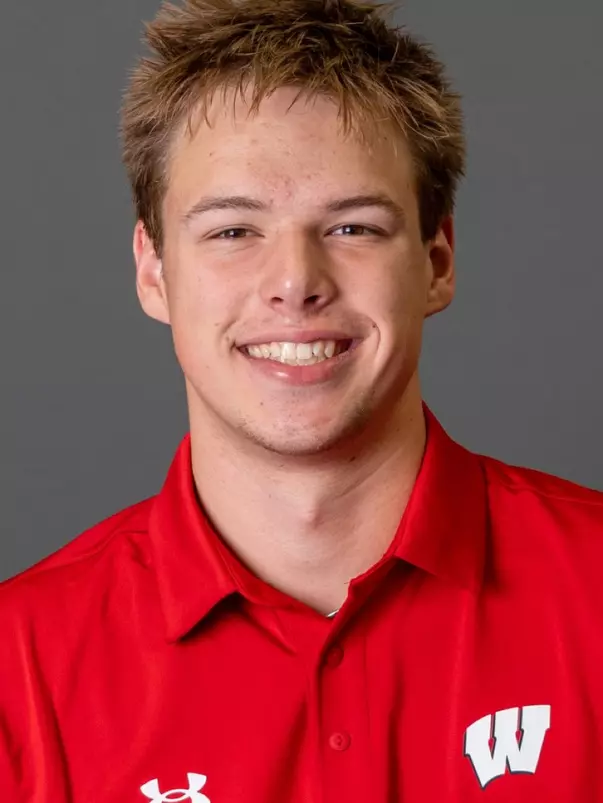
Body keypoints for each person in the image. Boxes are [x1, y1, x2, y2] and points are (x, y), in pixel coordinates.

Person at [2, 0, 603, 800]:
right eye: (231, 230)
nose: (295, 283)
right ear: (153, 270)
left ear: (437, 260)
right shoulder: (20, 665)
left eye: (352, 227)